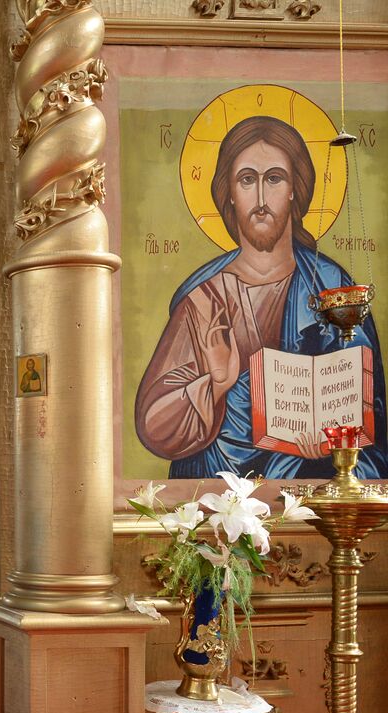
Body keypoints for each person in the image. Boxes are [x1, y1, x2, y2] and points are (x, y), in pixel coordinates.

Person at [135, 114, 388, 480]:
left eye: (273, 178)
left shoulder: (331, 288)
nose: (259, 197)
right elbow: (153, 425)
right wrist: (216, 384)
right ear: (230, 194)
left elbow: (371, 413)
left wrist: (330, 441)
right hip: (216, 493)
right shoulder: (205, 300)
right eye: (246, 179)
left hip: (306, 489)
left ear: (293, 189)